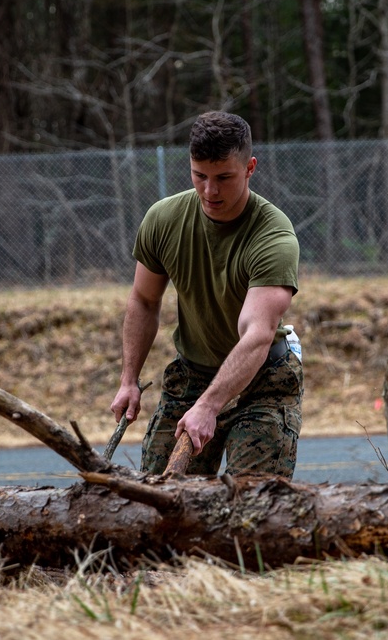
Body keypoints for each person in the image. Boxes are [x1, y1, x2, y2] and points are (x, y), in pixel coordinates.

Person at [109, 110, 303, 478]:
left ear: (250, 168)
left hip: (262, 381)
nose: (209, 191)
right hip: (192, 374)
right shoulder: (164, 220)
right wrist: (128, 380)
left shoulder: (274, 236)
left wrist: (210, 407)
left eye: (224, 178)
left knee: (255, 502)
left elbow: (257, 334)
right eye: (200, 176)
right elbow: (144, 300)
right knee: (156, 494)